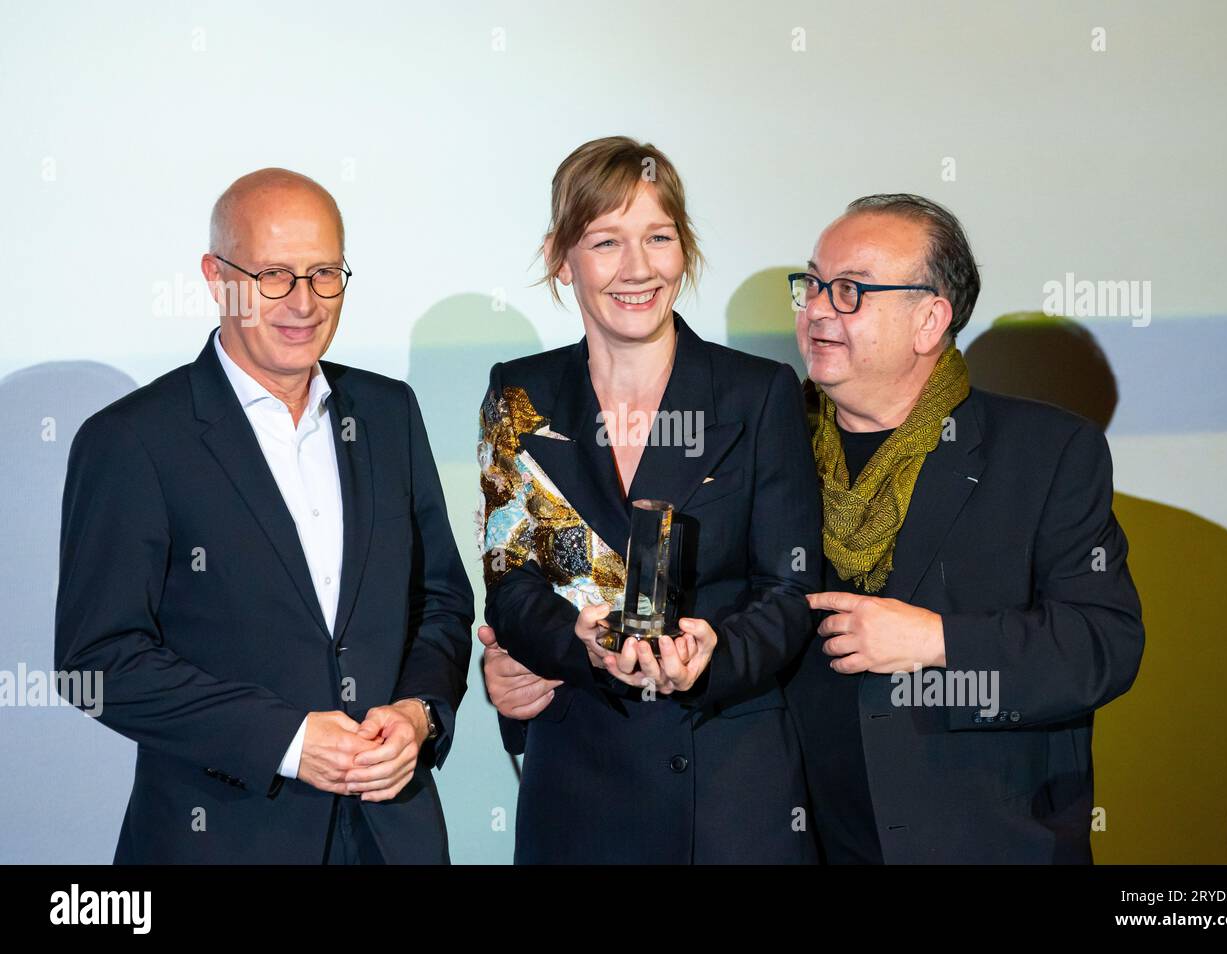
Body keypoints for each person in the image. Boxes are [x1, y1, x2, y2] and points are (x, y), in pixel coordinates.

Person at [486, 192, 1144, 864]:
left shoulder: (1043, 454)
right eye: (813, 285)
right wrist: (530, 673)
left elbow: (1104, 646)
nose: (819, 309)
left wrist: (937, 640)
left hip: (983, 845)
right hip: (798, 840)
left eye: (852, 290)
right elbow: (670, 621)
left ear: (930, 319)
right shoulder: (757, 436)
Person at [54, 168, 473, 864]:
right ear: (217, 278)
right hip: (221, 837)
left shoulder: (388, 412)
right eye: (274, 275)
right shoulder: (132, 440)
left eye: (324, 273)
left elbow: (439, 601)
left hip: (392, 836)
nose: (304, 302)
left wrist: (420, 713)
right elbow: (97, 663)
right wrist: (288, 741)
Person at [476, 136, 821, 863]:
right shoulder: (521, 395)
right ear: (559, 257)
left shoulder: (758, 394)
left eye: (658, 237)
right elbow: (509, 582)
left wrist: (714, 653)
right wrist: (577, 644)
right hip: (577, 773)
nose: (638, 268)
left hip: (729, 783)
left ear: (684, 249)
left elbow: (790, 590)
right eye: (606, 241)